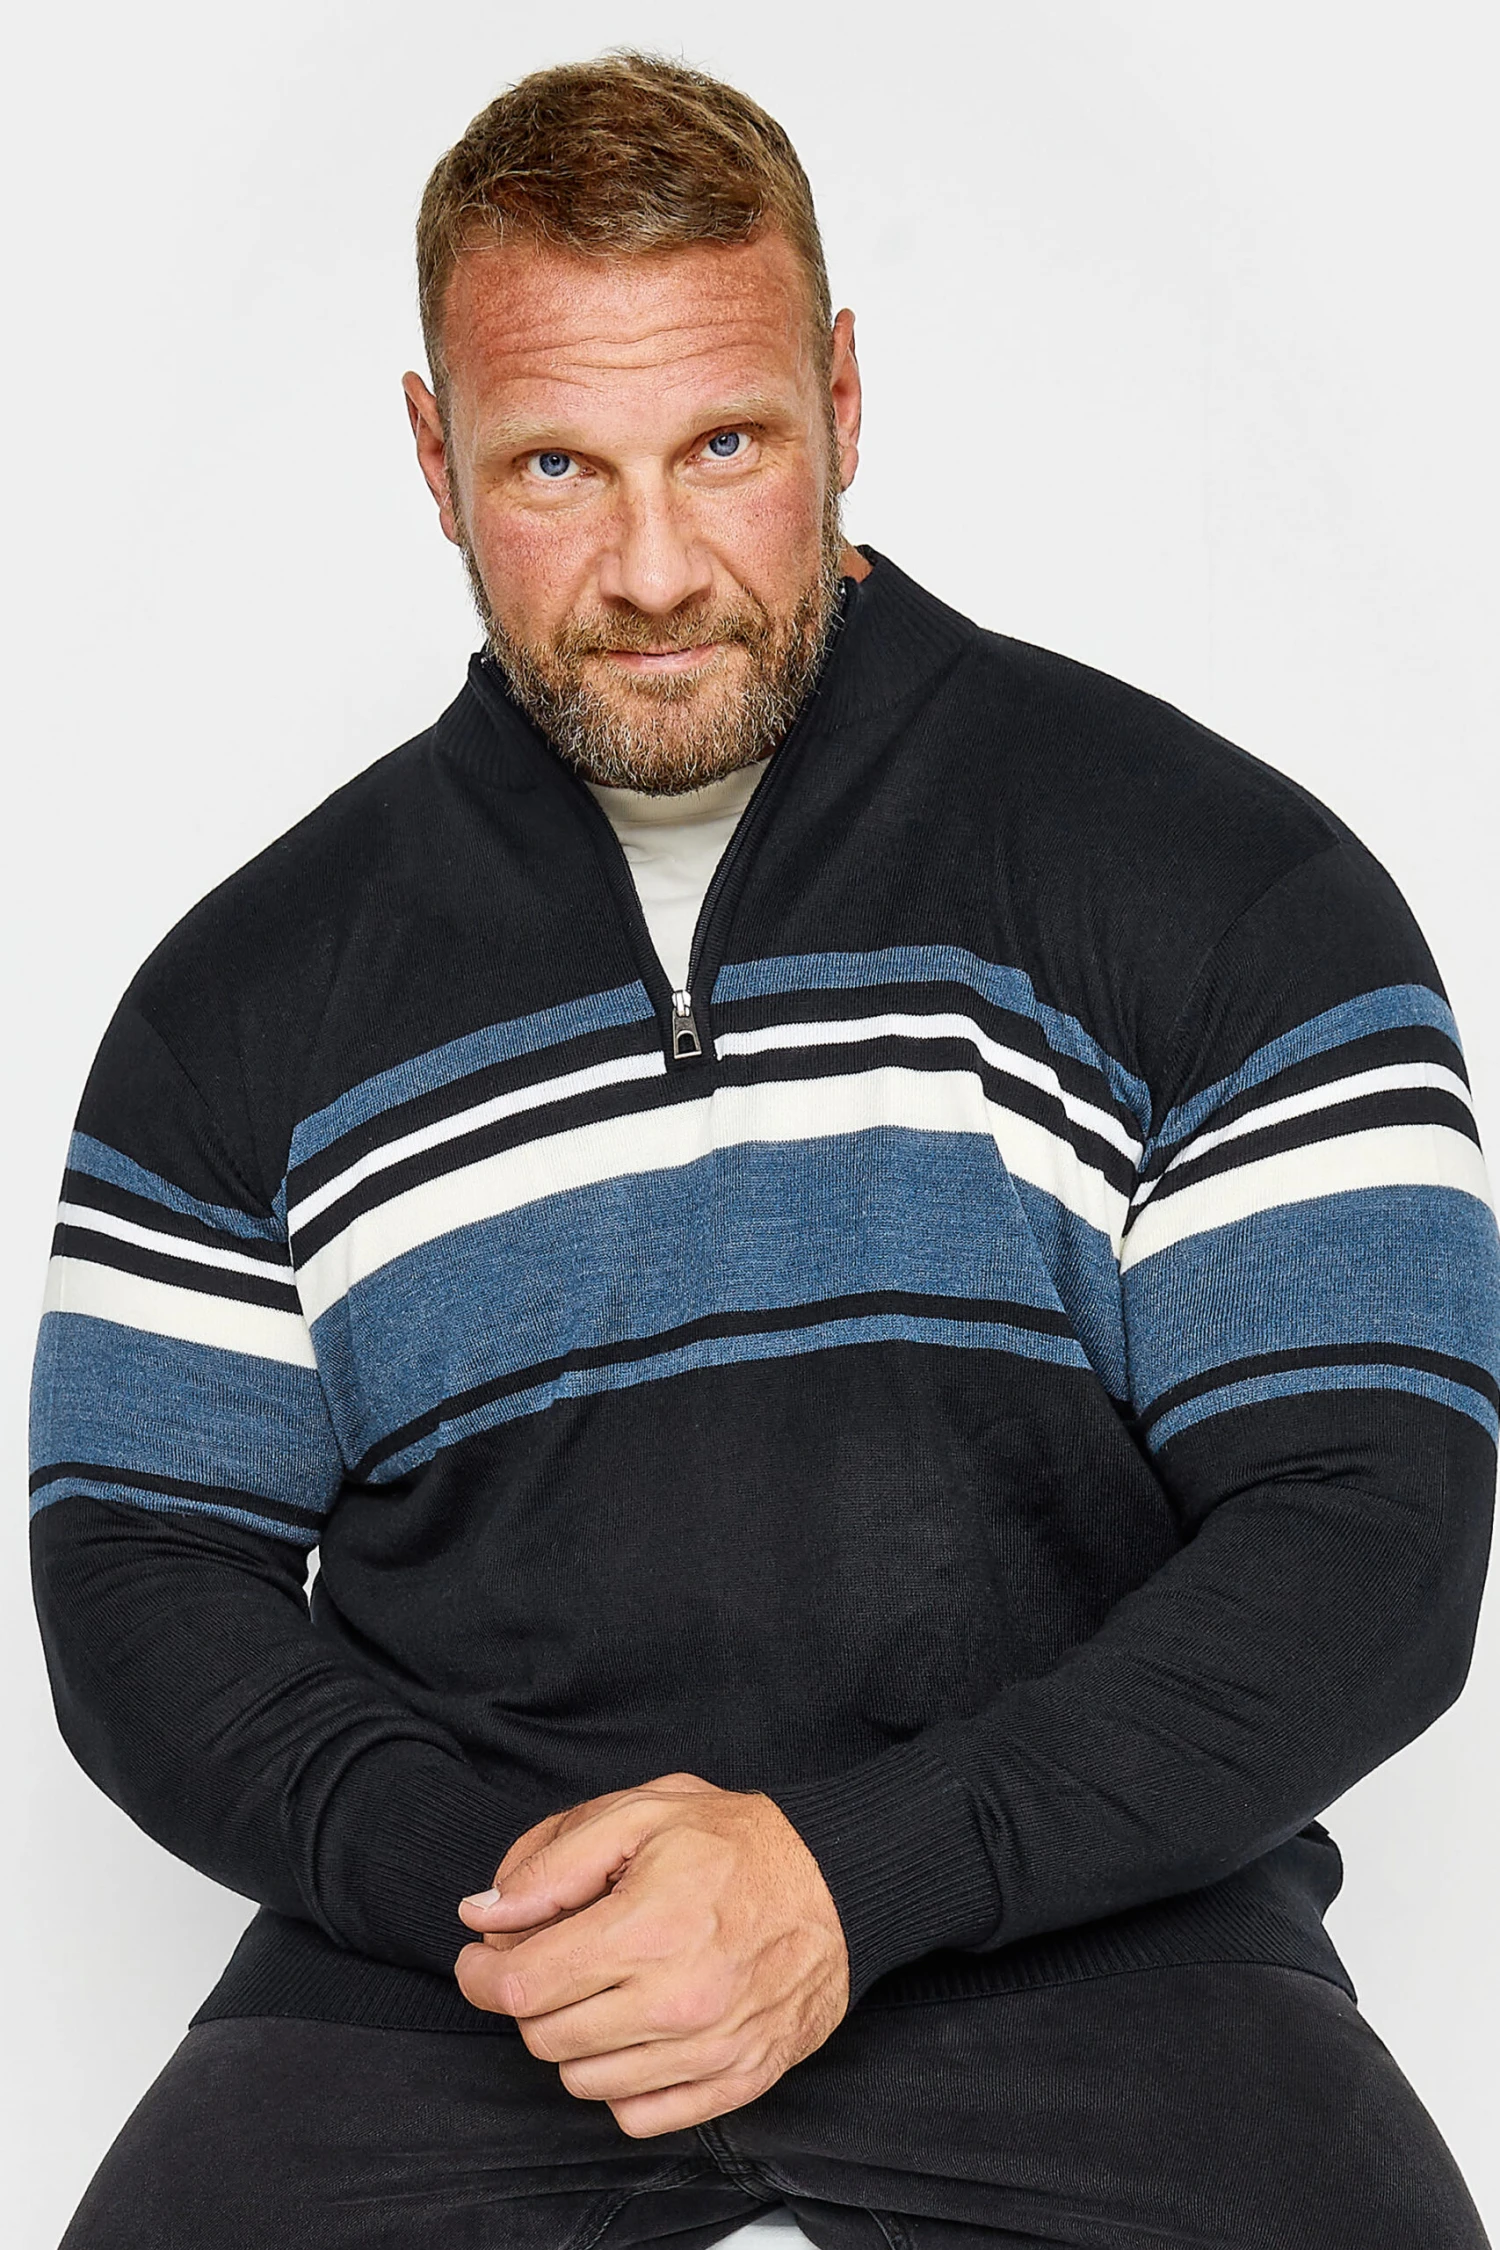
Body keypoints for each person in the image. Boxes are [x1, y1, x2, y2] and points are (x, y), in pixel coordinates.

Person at [30, 49, 1497, 2250]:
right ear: (433, 455)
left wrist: (852, 1875)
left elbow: (1372, 1525)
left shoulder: (1218, 882)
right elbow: (138, 1572)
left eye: (724, 446)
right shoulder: (243, 998)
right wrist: (517, 1898)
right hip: (468, 1969)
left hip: (1089, 1937)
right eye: (555, 465)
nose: (651, 570)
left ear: (843, 396)